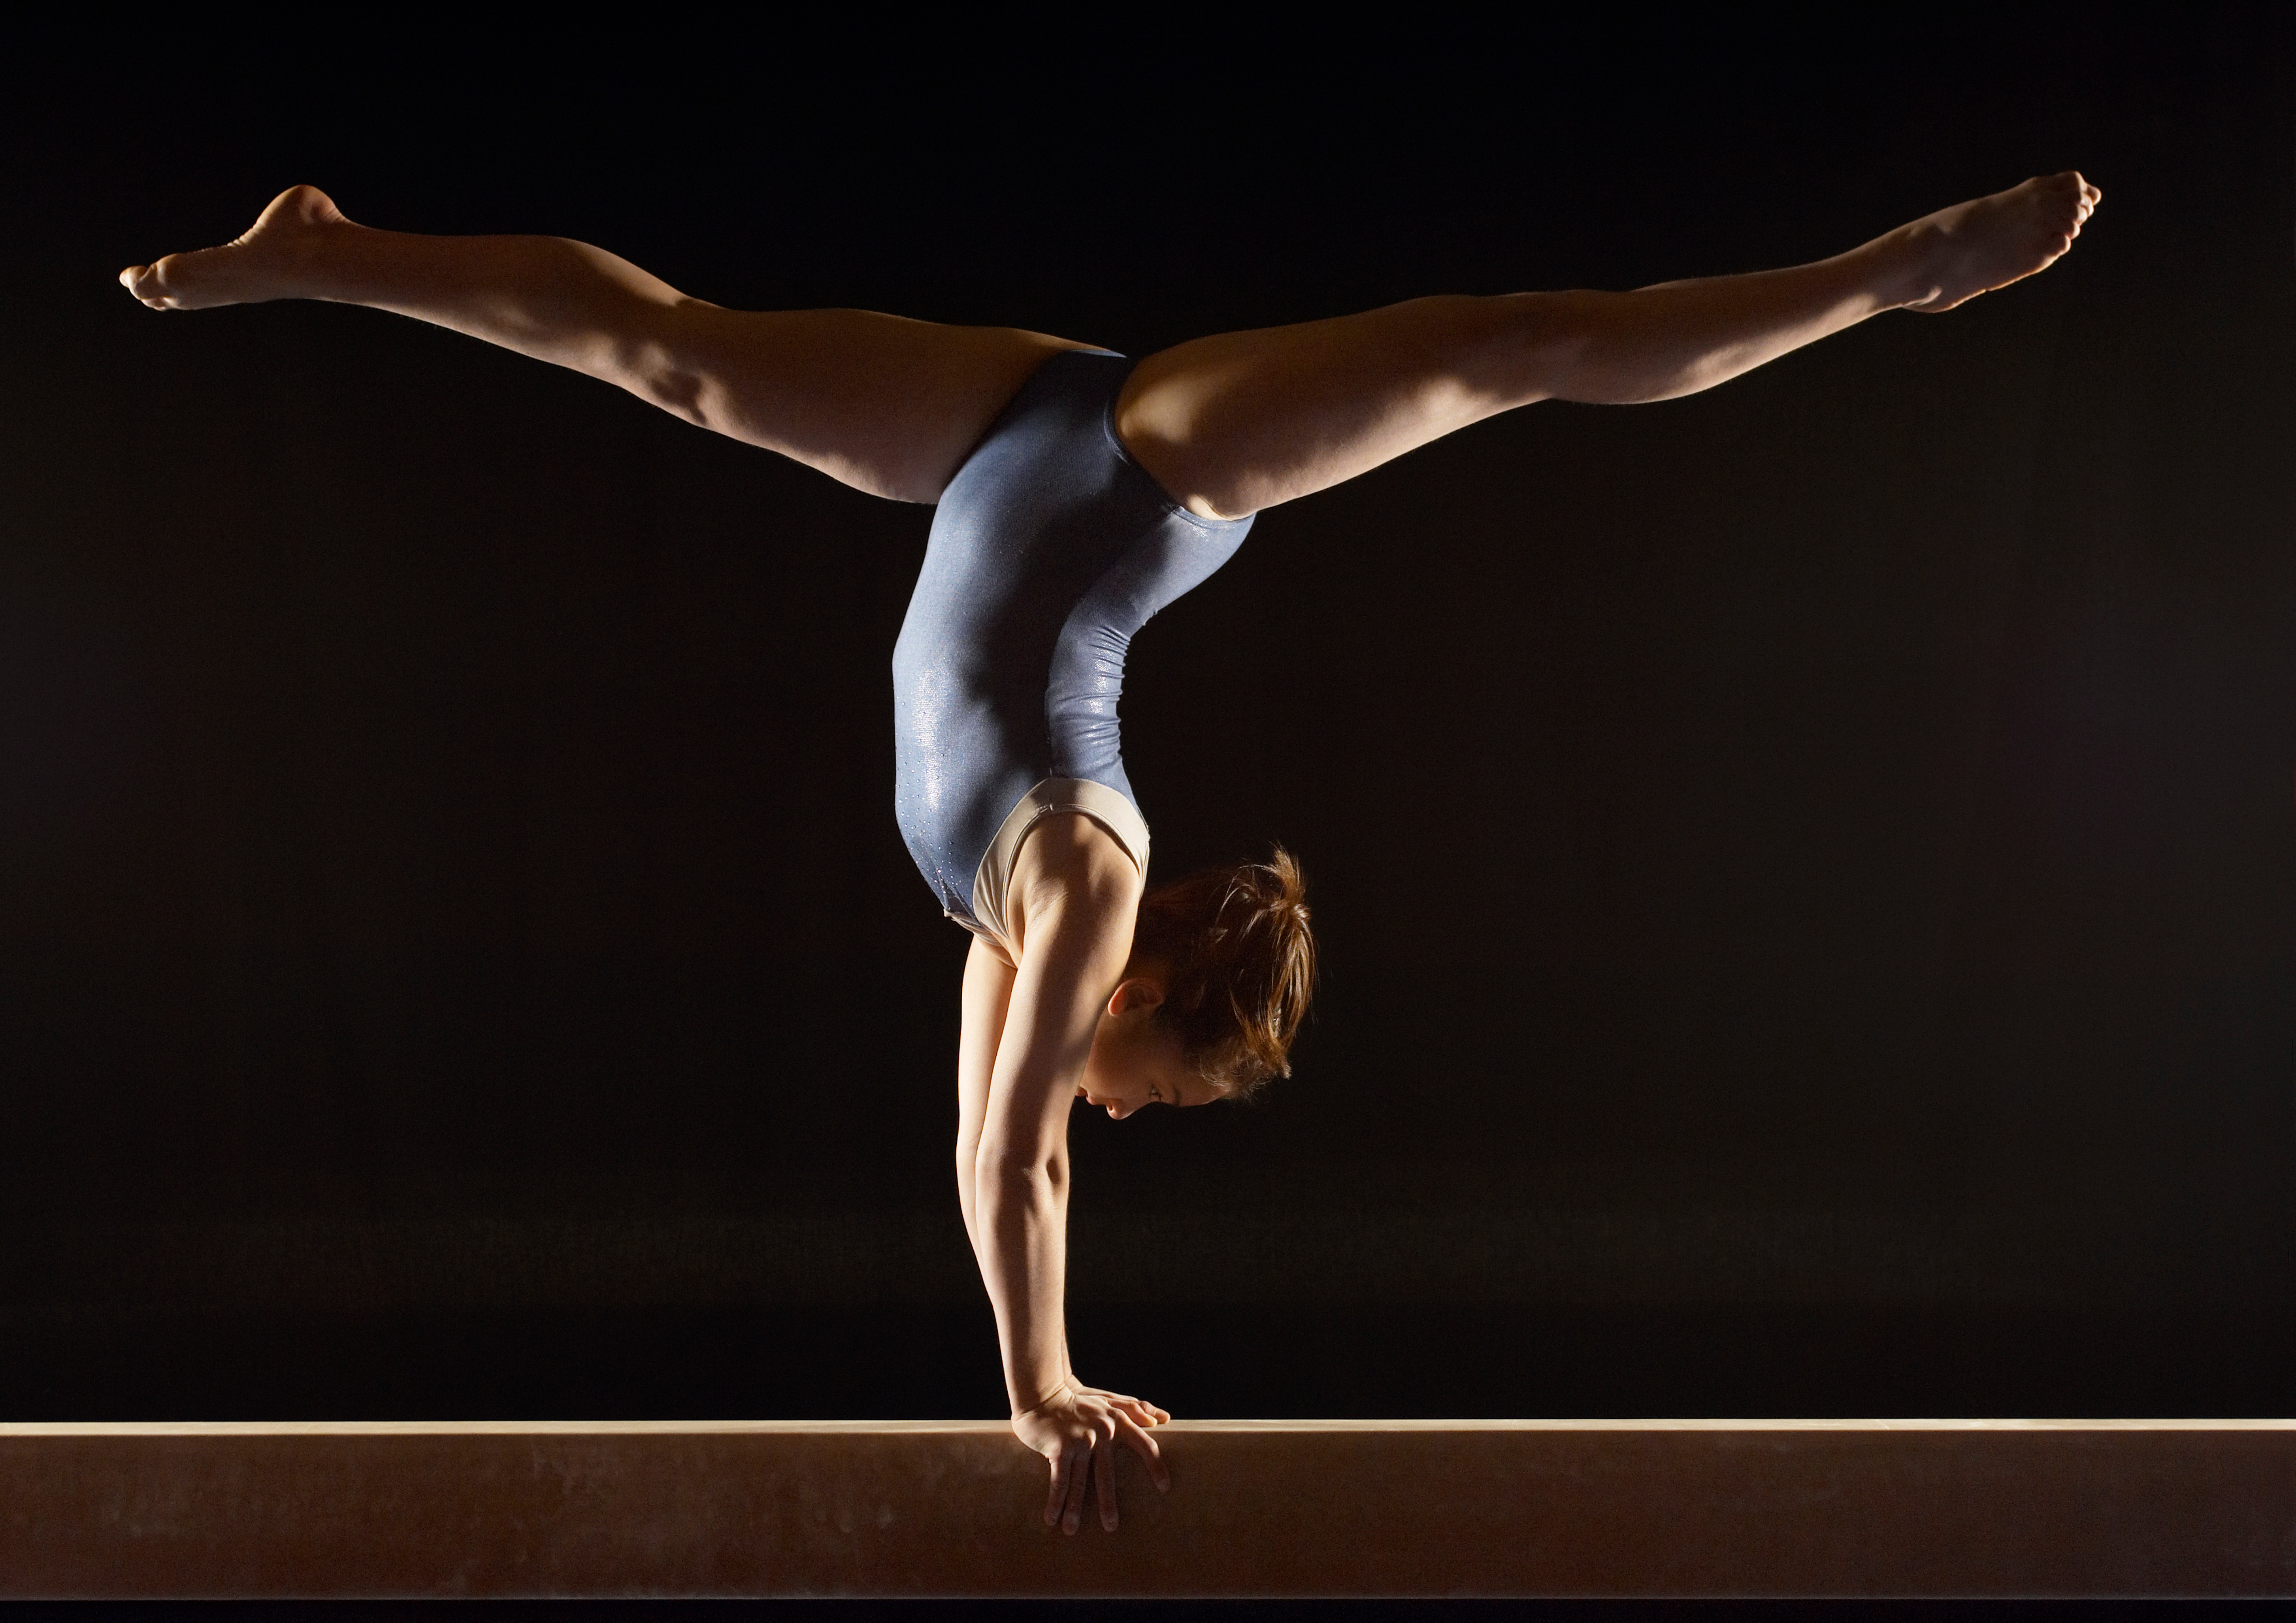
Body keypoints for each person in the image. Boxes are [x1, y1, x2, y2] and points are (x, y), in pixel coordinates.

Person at [120, 169, 2099, 1533]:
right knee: (1514, 343)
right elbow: (1028, 1150)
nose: (1131, 1113)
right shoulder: (1077, 877)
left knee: (681, 357)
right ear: (1145, 991)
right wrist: (1039, 1385)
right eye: (1168, 1080)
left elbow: (983, 1140)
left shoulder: (998, 918)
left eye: (1154, 1104)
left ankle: (333, 249)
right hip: (1155, 465)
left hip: (996, 440)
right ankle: (1886, 272)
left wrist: (1025, 1362)